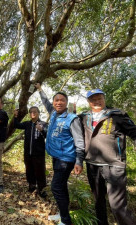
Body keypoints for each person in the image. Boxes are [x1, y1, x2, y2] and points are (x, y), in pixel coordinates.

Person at [79, 89, 136, 225]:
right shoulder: (83, 117)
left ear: (104, 99)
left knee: (117, 206)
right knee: (98, 202)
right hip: (92, 165)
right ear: (89, 102)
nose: (96, 101)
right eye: (93, 99)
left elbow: (135, 132)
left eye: (99, 98)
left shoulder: (117, 115)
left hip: (114, 165)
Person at [35, 83, 85, 225]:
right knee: (61, 186)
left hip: (66, 158)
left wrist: (79, 160)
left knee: (56, 187)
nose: (58, 102)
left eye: (62, 100)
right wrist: (40, 90)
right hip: (56, 156)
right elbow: (45, 102)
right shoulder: (54, 115)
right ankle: (63, 215)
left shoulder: (72, 118)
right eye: (56, 100)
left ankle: (66, 221)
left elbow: (79, 140)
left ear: (66, 103)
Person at [14, 106, 48, 198]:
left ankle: (42, 189)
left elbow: (47, 136)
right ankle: (32, 185)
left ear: (38, 113)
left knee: (40, 172)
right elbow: (17, 125)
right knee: (29, 170)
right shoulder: (27, 124)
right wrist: (15, 116)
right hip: (28, 153)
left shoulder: (44, 124)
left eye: (35, 112)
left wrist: (42, 130)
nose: (33, 113)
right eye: (31, 112)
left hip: (39, 154)